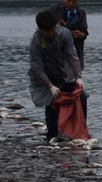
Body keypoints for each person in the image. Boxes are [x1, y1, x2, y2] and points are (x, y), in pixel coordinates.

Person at [28, 10, 85, 142]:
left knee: (81, 97)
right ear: (40, 29)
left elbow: (72, 56)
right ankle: (52, 135)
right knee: (51, 103)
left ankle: (80, 131)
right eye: (47, 31)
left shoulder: (64, 33)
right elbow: (37, 67)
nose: (51, 33)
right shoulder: (35, 41)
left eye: (53, 29)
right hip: (47, 76)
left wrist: (79, 77)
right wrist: (50, 86)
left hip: (66, 73)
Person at [49, 0, 89, 69]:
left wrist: (80, 34)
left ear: (78, 0)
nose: (71, 3)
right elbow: (45, 28)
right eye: (68, 1)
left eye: (73, 1)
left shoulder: (81, 13)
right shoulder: (54, 9)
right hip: (56, 51)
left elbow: (84, 33)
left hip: (75, 51)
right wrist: (58, 26)